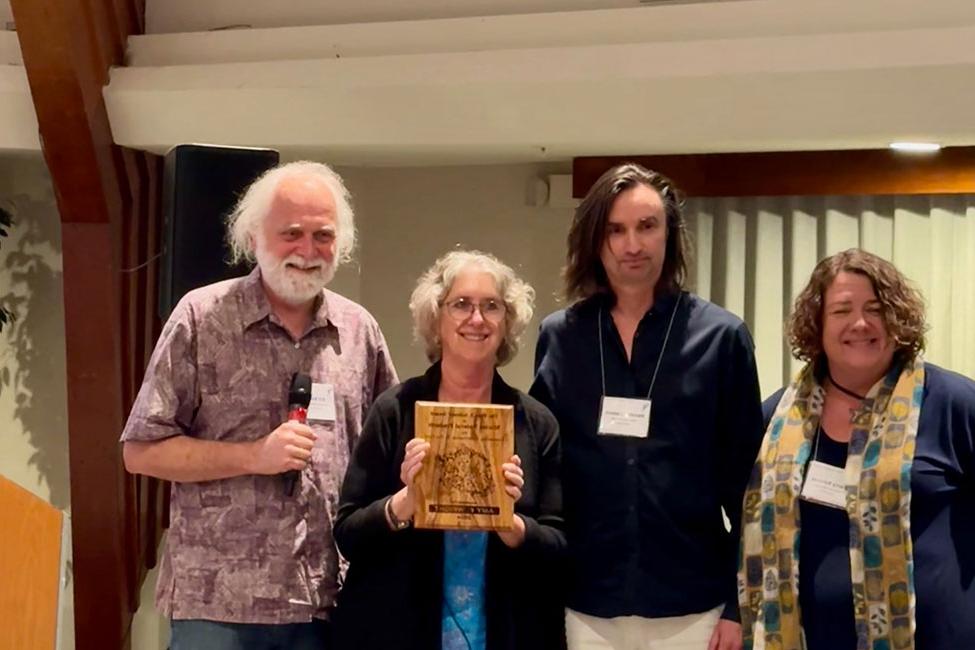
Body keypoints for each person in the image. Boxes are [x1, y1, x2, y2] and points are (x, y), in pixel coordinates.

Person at [120, 161, 397, 650]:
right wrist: (253, 456)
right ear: (252, 238)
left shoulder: (359, 331)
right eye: (291, 233)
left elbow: (386, 455)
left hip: (326, 600)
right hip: (218, 604)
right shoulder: (202, 317)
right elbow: (142, 450)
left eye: (323, 236)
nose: (308, 251)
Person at [531, 163, 764, 650]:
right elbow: (546, 470)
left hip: (694, 603)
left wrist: (740, 606)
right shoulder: (561, 336)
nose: (632, 245)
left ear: (669, 234)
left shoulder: (722, 338)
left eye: (646, 226)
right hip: (586, 601)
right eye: (615, 230)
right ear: (596, 240)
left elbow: (748, 486)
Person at [740, 248, 975, 650]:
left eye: (875, 308)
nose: (860, 323)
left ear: (897, 318)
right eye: (841, 311)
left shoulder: (953, 403)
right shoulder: (775, 418)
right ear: (816, 324)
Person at [333, 250, 566, 649]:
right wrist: (406, 501)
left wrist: (510, 523)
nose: (476, 319)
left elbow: (559, 550)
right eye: (460, 304)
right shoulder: (395, 410)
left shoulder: (536, 422)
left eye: (491, 306)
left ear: (507, 321)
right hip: (400, 632)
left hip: (506, 632)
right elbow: (348, 536)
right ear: (436, 320)